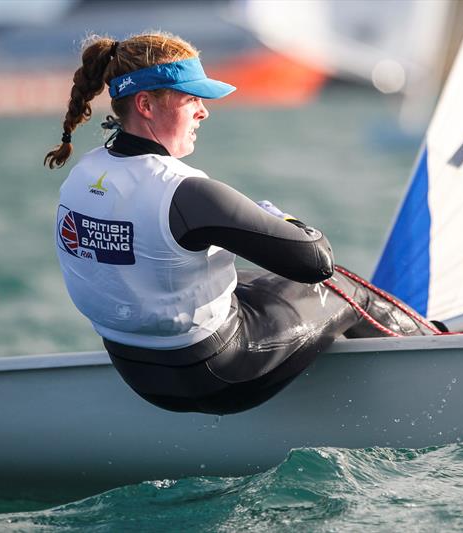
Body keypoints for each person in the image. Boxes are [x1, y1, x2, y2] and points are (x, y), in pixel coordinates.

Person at [46, 33, 438, 415]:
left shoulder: (83, 175)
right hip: (220, 376)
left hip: (138, 375)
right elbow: (316, 260)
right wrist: (278, 216)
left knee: (249, 277)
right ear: (145, 104)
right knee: (342, 287)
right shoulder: (184, 192)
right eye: (191, 99)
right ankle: (439, 353)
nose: (203, 111)